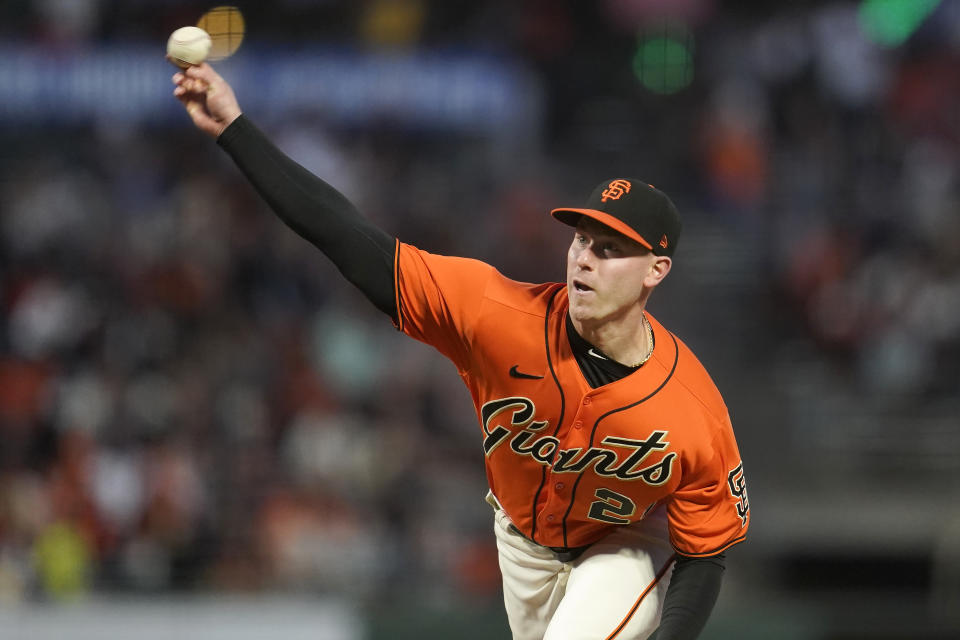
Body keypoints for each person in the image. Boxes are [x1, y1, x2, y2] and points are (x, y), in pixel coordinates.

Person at [172, 62, 750, 640]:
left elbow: (706, 550)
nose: (584, 258)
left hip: (624, 545)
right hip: (520, 542)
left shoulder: (692, 407)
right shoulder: (496, 315)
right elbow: (348, 237)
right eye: (581, 238)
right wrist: (235, 130)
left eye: (611, 249)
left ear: (656, 270)